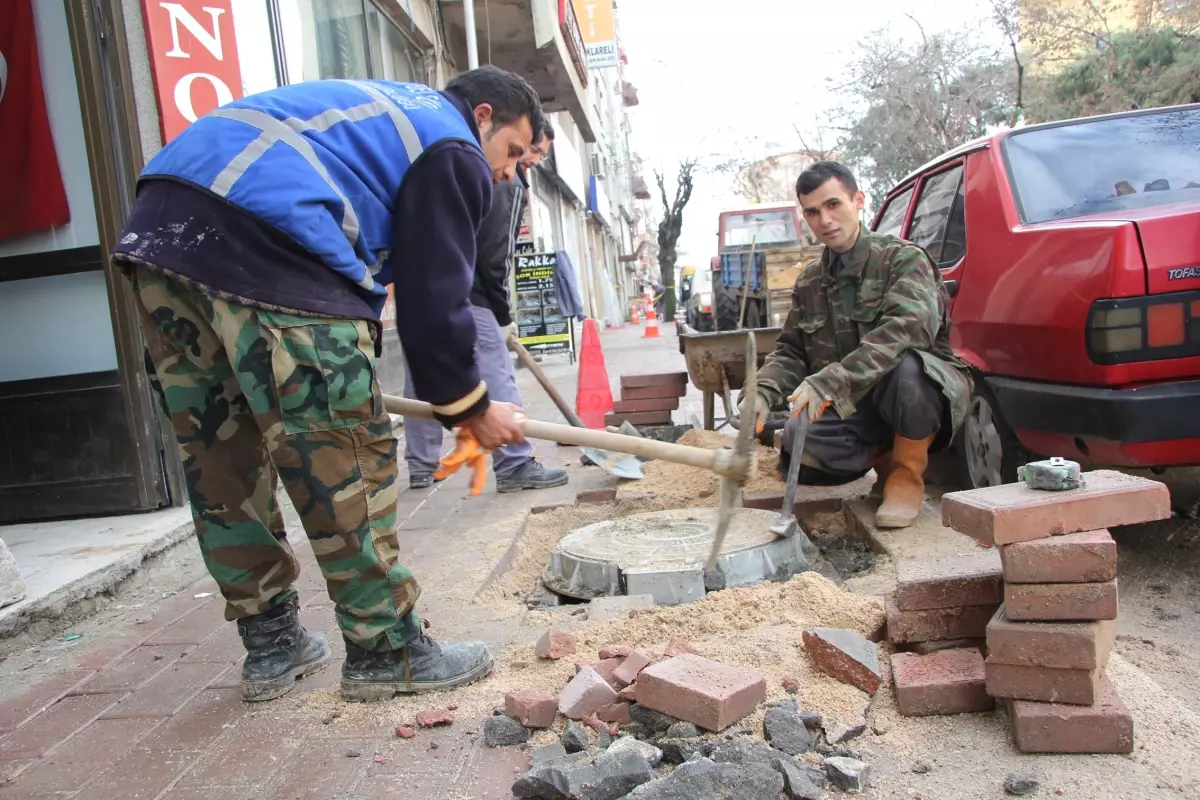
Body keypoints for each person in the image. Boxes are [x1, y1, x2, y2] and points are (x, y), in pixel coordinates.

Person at [110, 67, 545, 703]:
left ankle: (272, 643)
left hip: (163, 237)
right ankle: (386, 649)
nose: (507, 173)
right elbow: (432, 298)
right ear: (482, 116)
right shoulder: (451, 144)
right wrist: (470, 407)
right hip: (271, 241)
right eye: (512, 152)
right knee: (341, 453)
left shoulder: (383, 111)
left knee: (219, 454)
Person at [746, 161, 971, 529]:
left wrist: (829, 382)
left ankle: (905, 476)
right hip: (857, 401)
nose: (825, 220)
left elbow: (906, 330)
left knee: (909, 371)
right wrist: (761, 391)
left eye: (834, 205)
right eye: (813, 212)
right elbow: (792, 351)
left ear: (858, 200)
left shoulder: (902, 259)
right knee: (801, 449)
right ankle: (883, 458)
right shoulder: (810, 283)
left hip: (917, 392)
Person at [402, 127, 568, 492]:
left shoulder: (448, 164)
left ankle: (420, 464)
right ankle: (515, 463)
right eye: (534, 151)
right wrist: (503, 316)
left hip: (423, 291)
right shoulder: (505, 180)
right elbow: (494, 258)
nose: (534, 160)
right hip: (471, 295)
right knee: (496, 373)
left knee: (422, 372)